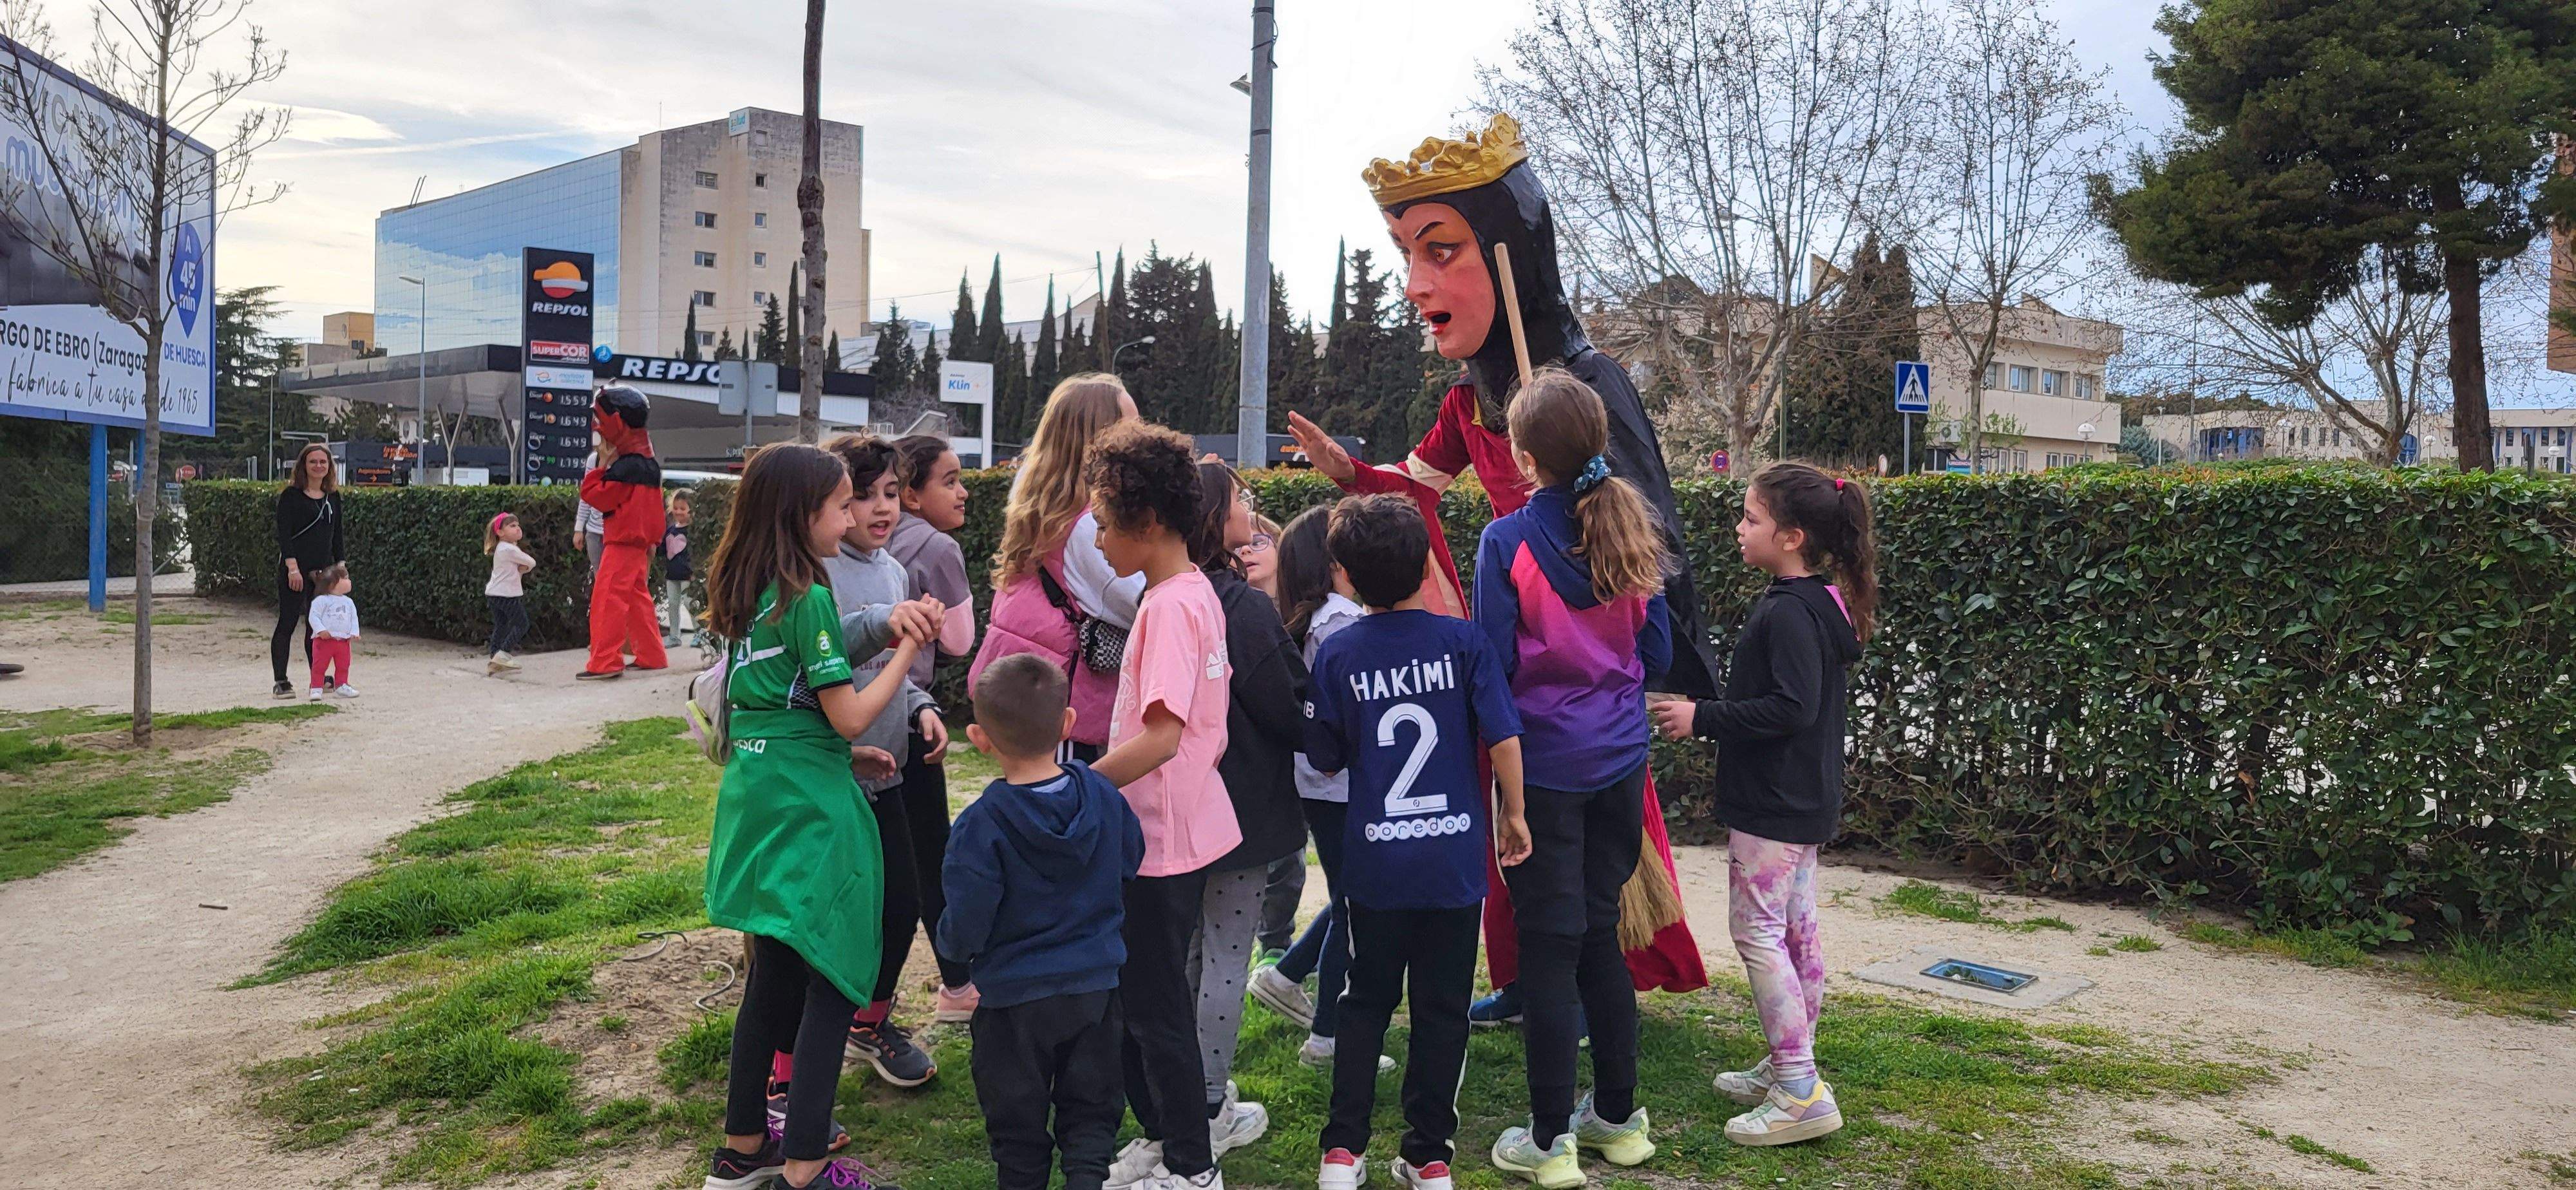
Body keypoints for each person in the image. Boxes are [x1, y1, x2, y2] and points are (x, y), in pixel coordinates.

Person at [1285, 112, 1709, 1015]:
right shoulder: (1470, 401)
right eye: (1407, 254)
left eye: (1440, 250)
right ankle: (1525, 981)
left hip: (1582, 665)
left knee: (1586, 846)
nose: (1414, 284)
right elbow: (1415, 482)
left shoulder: (1588, 391)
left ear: (1511, 258)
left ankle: (1608, 985)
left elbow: (1648, 537)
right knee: (1513, 832)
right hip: (1520, 666)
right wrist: (1347, 473)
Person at [698, 441, 925, 1190]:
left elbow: (771, 710)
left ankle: (740, 1153)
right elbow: (852, 714)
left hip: (760, 799)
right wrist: (903, 648)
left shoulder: (742, 592)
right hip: (810, 816)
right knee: (835, 979)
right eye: (840, 505)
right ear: (805, 515)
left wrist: (838, 758)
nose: (853, 514)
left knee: (772, 982)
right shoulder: (809, 596)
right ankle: (805, 1169)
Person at [1303, 493, 1531, 1190]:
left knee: (1363, 1002)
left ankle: (1342, 1152)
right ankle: (1428, 1154)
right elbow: (1503, 735)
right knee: (1441, 1010)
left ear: (1342, 573)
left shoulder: (1338, 653)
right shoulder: (1463, 643)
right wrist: (1513, 813)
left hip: (1375, 864)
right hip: (1453, 862)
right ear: (1427, 563)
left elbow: (1325, 759)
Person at [1479, 372, 1671, 1187]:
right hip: (1620, 763)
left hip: (1543, 773)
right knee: (1598, 935)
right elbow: (1657, 656)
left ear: (1524, 457)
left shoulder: (1506, 541)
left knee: (1549, 953)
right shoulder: (1634, 530)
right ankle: (1619, 1122)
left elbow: (1487, 671)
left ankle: (1550, 1138)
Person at [1648, 462, 1874, 1148]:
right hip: (1801, 797)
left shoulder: (1788, 612)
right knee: (1796, 930)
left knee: (1757, 933)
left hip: (1775, 801)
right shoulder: (1816, 600)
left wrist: (1702, 717)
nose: (1738, 529)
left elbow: (1790, 707)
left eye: (1750, 519)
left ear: (1792, 536)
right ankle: (1788, 1065)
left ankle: (1800, 1088)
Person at [1083, 421, 1237, 1190]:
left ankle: (1190, 1165)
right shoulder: (1191, 590)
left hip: (1160, 839)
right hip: (1171, 831)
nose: (1098, 539)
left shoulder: (1171, 607)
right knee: (1145, 1000)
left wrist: (1076, 786)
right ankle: (1166, 1137)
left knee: (1154, 1010)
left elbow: (1163, 736)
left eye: (1104, 523)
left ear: (1145, 524)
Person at [938, 653, 1146, 1190]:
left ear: (980, 738)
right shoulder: (1102, 794)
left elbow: (966, 922)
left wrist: (954, 953)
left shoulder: (980, 825)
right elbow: (1131, 858)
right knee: (1091, 1119)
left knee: (1018, 1132)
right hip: (1095, 990)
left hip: (1013, 1005)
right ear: (1069, 723)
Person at [821, 433, 949, 1090]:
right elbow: (812, 674)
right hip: (832, 777)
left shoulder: (895, 569)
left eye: (891, 494)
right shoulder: (816, 571)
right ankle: (792, 1047)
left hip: (891, 771)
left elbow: (897, 672)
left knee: (903, 901)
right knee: (831, 914)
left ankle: (868, 1022)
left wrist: (923, 704)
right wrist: (841, 750)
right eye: (861, 496)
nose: (879, 509)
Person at [1182, 463, 1302, 1153]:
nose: (1250, 507)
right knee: (1228, 952)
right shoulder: (1241, 607)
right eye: (1239, 498)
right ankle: (1206, 1105)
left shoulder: (1167, 593)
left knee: (1196, 950)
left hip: (1186, 802)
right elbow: (1285, 705)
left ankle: (1191, 1086)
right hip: (1242, 805)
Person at [1247, 507, 1378, 1072]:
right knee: (1358, 907)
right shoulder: (1344, 623)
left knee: (1354, 896)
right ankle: (1329, 1036)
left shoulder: (1314, 619)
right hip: (1343, 783)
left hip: (1322, 782)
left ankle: (1288, 974)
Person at [971, 375, 1144, 760]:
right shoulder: (1088, 527)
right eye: (1131, 426)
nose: (1142, 437)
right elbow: (1142, 603)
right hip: (1075, 720)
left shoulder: (1052, 509)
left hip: (1056, 706)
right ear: (1099, 437)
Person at [887, 434, 981, 1022]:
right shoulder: (937, 548)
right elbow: (959, 640)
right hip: (908, 713)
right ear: (913, 496)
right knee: (928, 854)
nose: (964, 490)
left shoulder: (869, 544)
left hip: (865, 714)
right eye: (948, 480)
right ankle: (958, 983)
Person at [1235, 510, 1303, 959]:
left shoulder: (1301, 614)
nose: (1246, 549)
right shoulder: (1236, 610)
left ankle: (1278, 944)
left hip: (1302, 757)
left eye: (1260, 542)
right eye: (1242, 544)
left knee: (1291, 862)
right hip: (1256, 757)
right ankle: (1270, 945)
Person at [577, 386, 669, 680]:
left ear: (617, 422)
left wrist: (601, 465)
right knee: (637, 599)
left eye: (601, 421)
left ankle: (605, 661)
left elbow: (595, 496)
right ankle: (652, 654)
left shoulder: (625, 467)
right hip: (638, 542)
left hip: (623, 541)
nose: (598, 428)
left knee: (608, 599)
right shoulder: (648, 465)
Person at [271, 443, 343, 699]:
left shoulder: (333, 497)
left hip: (322, 573)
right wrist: (292, 567)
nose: (318, 466)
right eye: (313, 462)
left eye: (323, 462)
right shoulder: (291, 496)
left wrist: (340, 567)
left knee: (317, 628)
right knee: (288, 622)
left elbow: (337, 536)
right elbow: (285, 535)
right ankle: (281, 680)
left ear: (329, 467)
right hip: (295, 571)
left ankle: (318, 675)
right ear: (304, 465)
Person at [484, 513, 535, 674]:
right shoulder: (508, 549)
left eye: (518, 525)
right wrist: (525, 568)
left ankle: (494, 657)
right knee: (522, 624)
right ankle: (503, 653)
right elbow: (531, 562)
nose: (517, 528)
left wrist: (522, 568)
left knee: (501, 624)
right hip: (506, 594)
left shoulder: (503, 548)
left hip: (494, 594)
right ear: (500, 532)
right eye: (512, 526)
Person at [304, 562, 361, 701]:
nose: (349, 581)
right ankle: (316, 688)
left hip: (343, 641)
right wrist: (321, 630)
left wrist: (354, 631)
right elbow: (314, 617)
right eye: (345, 579)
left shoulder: (349, 602)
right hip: (324, 641)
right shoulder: (321, 600)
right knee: (319, 665)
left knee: (344, 664)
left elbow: (354, 618)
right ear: (332, 584)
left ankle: (342, 685)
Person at [664, 489, 695, 648]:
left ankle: (700, 633)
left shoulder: (692, 532)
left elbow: (695, 554)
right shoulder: (670, 530)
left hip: (687, 575)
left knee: (691, 604)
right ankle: (674, 635)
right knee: (673, 605)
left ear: (691, 511)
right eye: (676, 508)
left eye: (683, 509)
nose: (678, 512)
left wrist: (694, 572)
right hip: (672, 575)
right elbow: (664, 549)